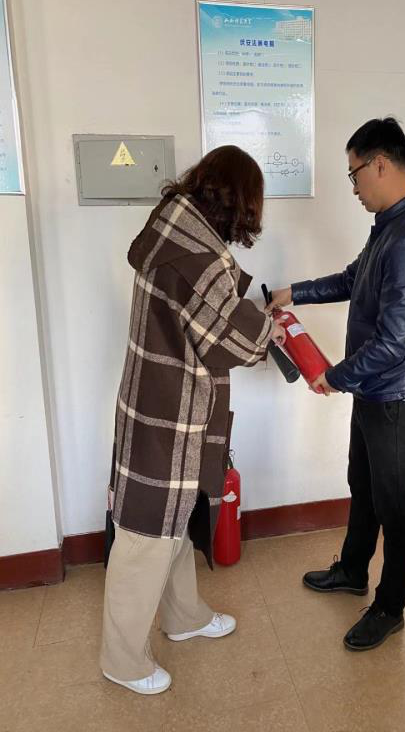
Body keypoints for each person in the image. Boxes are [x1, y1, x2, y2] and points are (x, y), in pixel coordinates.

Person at [101, 145, 286, 694]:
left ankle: (183, 617)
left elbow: (205, 319)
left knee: (174, 520)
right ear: (240, 202)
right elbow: (229, 339)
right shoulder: (199, 258)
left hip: (155, 400)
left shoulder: (171, 226)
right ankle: (121, 659)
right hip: (168, 412)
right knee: (144, 536)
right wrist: (269, 329)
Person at [267, 117, 405, 651]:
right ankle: (352, 570)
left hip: (396, 400)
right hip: (373, 392)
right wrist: (294, 292)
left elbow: (394, 342)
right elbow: (352, 279)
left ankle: (390, 607)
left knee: (396, 507)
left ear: (381, 164)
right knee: (363, 486)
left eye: (354, 174)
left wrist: (334, 376)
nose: (353, 187)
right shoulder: (390, 226)